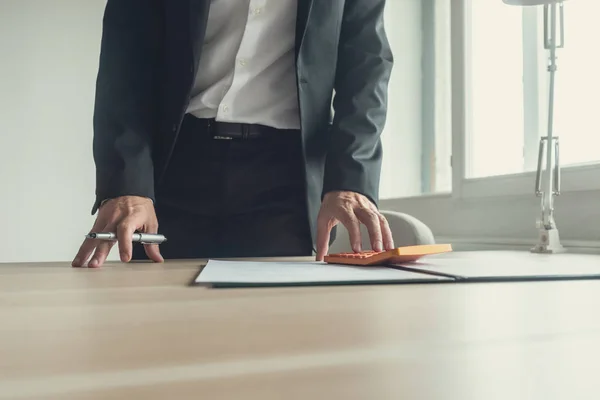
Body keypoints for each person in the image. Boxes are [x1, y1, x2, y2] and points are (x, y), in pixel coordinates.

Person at [72, 0, 395, 268]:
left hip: (286, 178)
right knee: (157, 327)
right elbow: (124, 69)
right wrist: (127, 185)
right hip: (172, 168)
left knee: (277, 329)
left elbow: (367, 70)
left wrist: (349, 181)